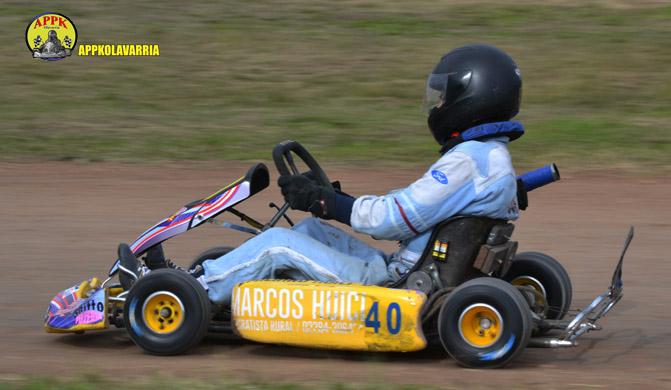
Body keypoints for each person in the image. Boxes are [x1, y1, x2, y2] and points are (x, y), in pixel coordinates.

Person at [121, 44, 525, 305]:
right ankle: (206, 278)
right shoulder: (490, 159)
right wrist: (331, 205)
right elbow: (418, 212)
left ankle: (183, 294)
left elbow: (393, 219)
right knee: (311, 233)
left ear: (470, 98)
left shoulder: (467, 162)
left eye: (443, 97)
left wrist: (327, 201)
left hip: (396, 288)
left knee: (276, 244)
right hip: (414, 268)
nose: (436, 106)